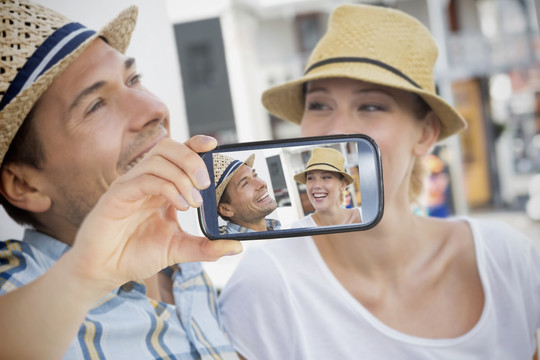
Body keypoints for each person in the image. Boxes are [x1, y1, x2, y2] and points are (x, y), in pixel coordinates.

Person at [218, 3, 540, 359]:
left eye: (371, 106)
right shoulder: (266, 286)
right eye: (320, 105)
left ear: (426, 133)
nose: (337, 129)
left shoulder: (506, 259)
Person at [0, 1, 243, 359]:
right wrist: (87, 273)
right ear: (25, 185)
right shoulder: (17, 281)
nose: (154, 109)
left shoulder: (186, 268)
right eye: (95, 105)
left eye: (133, 79)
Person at [292, 147, 361, 227]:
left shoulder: (366, 217)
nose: (316, 185)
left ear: (342, 184)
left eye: (326, 177)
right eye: (310, 178)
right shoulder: (300, 228)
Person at [214, 153, 281, 234]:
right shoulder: (226, 245)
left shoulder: (275, 228)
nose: (261, 184)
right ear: (226, 209)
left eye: (255, 175)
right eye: (245, 183)